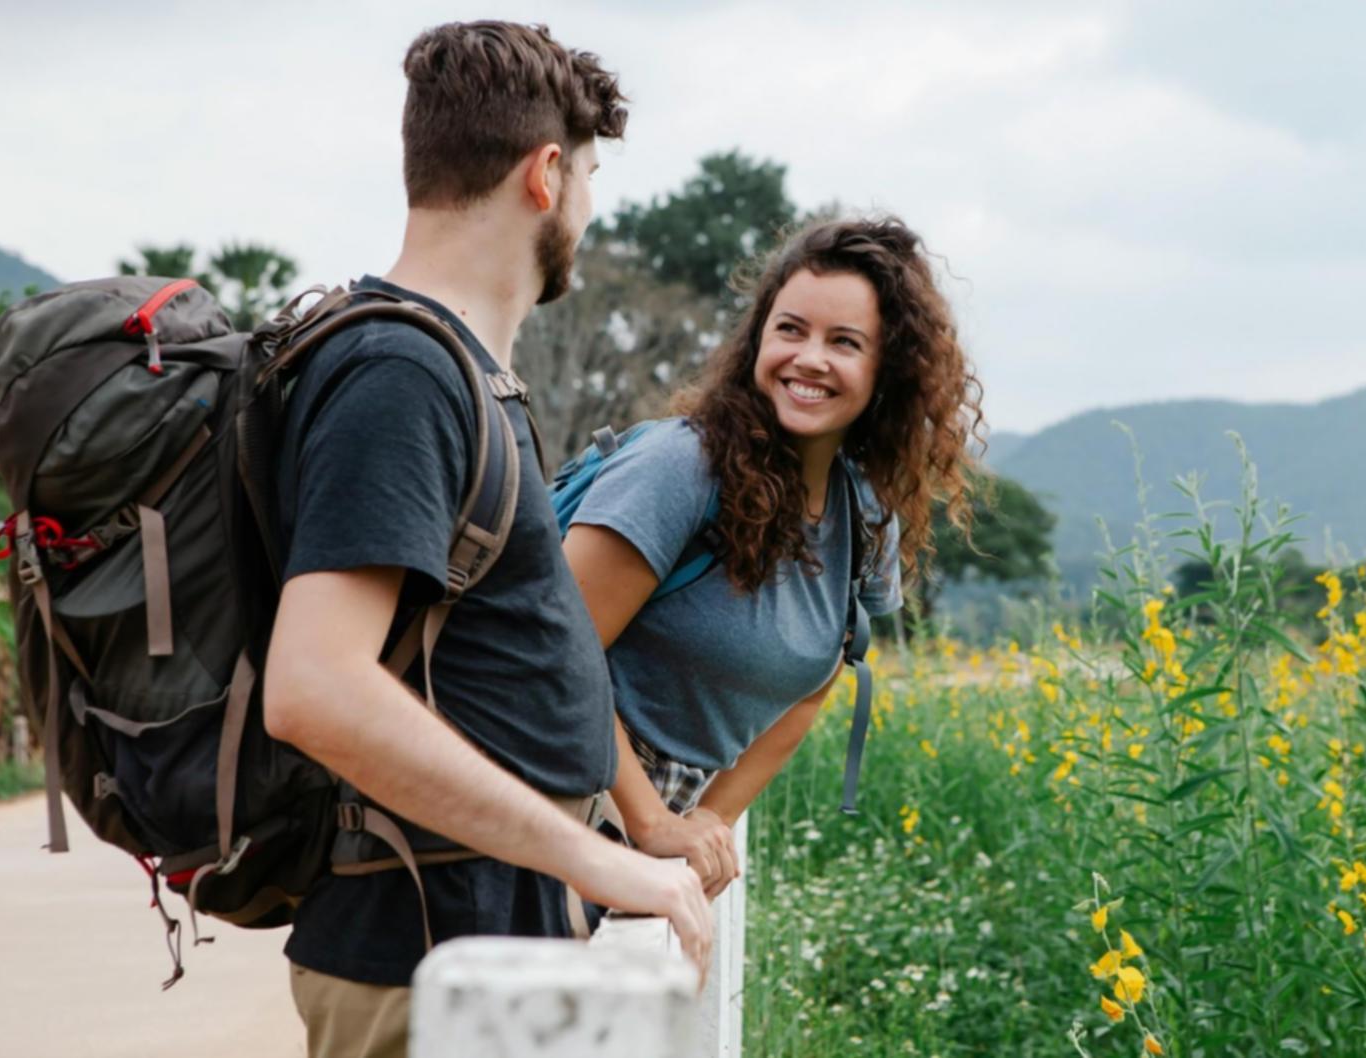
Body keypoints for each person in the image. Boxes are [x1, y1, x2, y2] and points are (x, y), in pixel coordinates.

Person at [262, 21, 710, 1057]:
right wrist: (595, 859)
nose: (587, 212)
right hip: (425, 961)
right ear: (546, 175)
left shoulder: (456, 372)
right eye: (588, 180)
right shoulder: (401, 375)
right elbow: (314, 685)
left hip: (482, 949)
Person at [563, 217, 984, 895]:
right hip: (554, 788)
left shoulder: (865, 511)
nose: (809, 359)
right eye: (790, 329)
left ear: (889, 370)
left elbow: (816, 681)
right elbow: (555, 646)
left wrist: (710, 818)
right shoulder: (681, 467)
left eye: (844, 342)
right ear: (758, 338)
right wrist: (650, 820)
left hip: (648, 820)